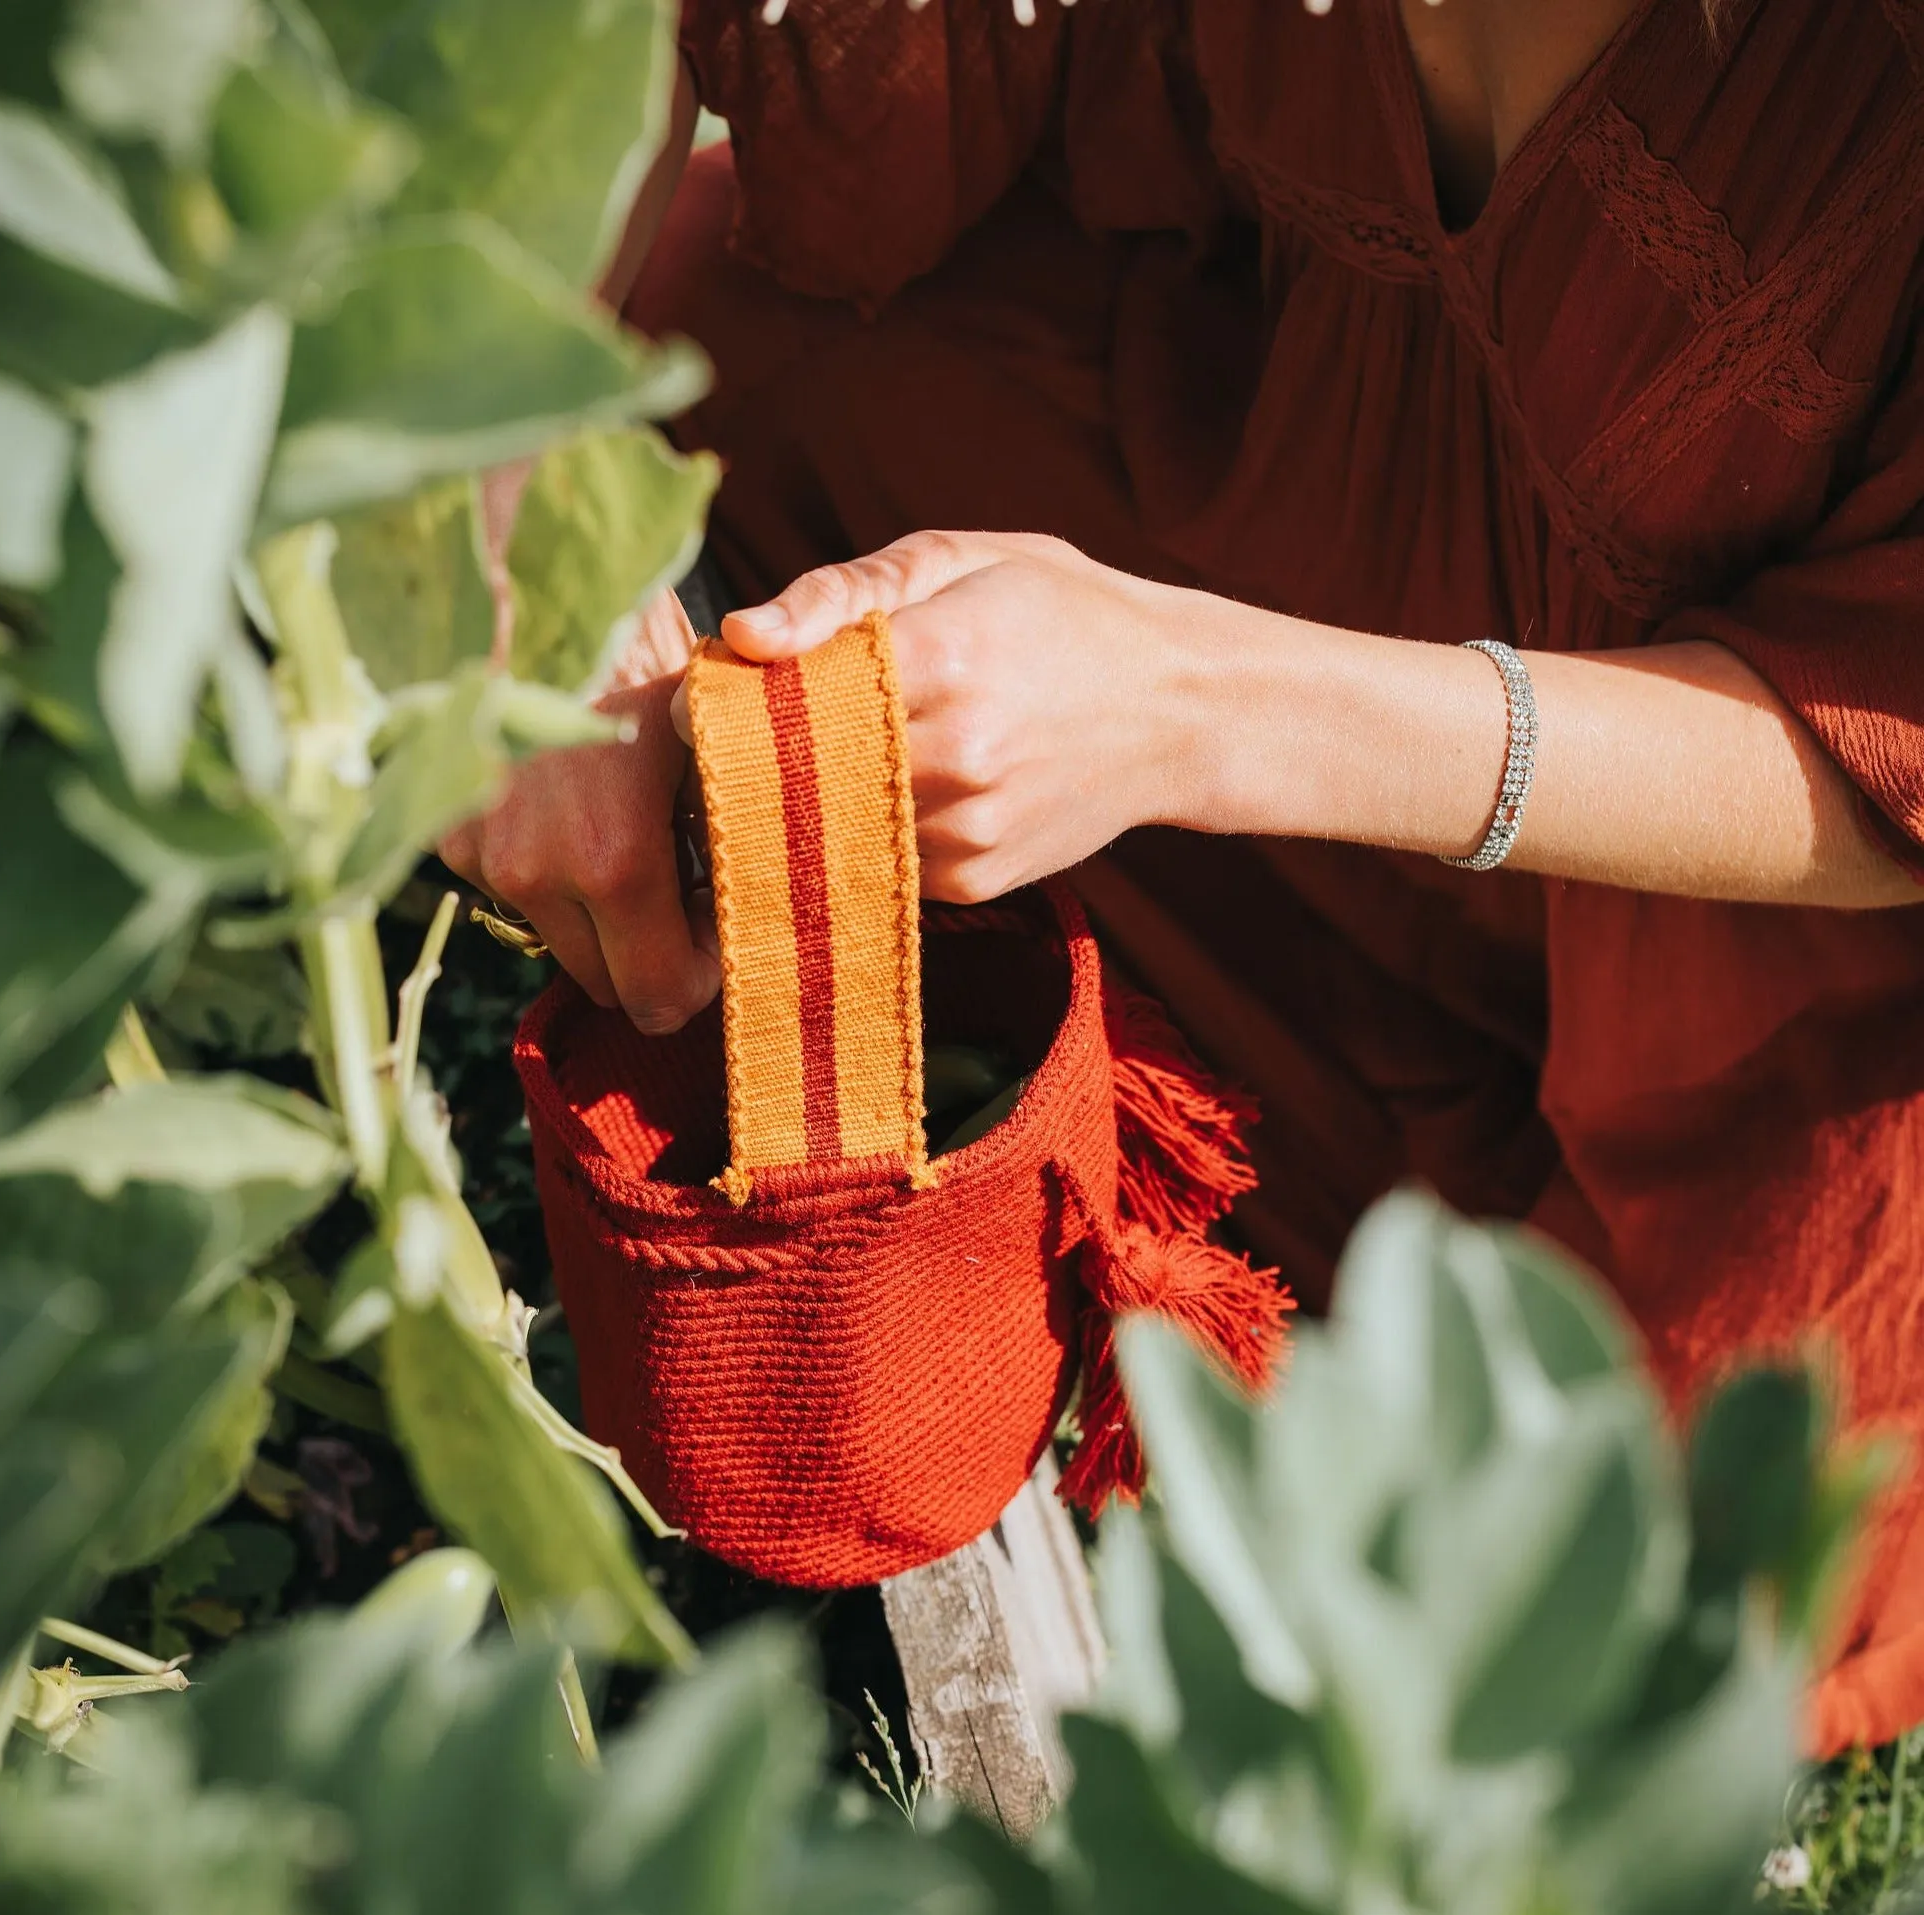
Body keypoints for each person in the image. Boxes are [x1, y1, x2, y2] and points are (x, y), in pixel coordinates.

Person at [440, 0, 1924, 1756]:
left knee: (1583, 1588)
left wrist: (1190, 709)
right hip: (1253, 450)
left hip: (1761, 933)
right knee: (713, 364)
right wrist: (496, 518)